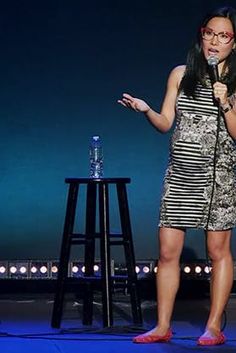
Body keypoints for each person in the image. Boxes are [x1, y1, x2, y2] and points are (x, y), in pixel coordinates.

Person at [118, 6, 236, 346]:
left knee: (218, 250)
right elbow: (165, 123)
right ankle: (162, 326)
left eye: (224, 36)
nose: (215, 41)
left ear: (234, 43)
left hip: (219, 178)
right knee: (168, 251)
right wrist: (146, 111)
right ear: (201, 36)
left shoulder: (234, 82)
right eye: (209, 33)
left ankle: (213, 326)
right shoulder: (180, 74)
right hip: (181, 175)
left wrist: (226, 101)